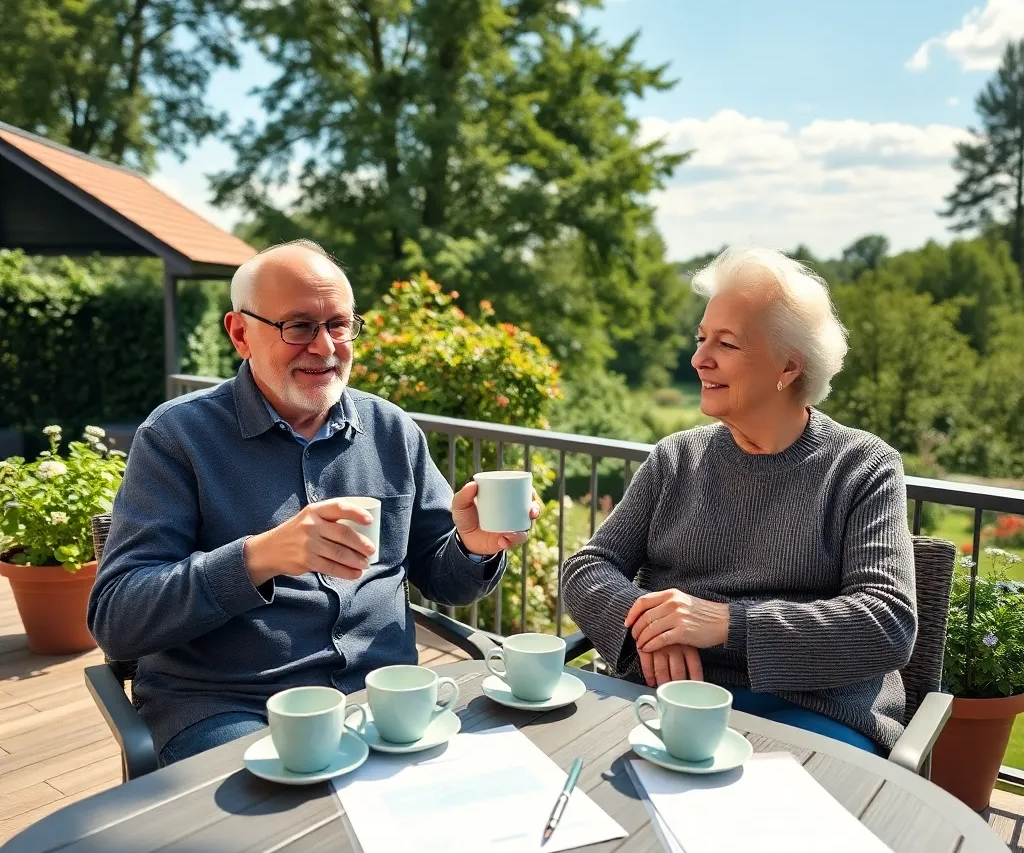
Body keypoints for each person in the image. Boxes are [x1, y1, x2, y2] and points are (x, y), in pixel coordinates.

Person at [89, 240, 539, 764]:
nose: (325, 347)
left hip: (382, 699)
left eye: (339, 325)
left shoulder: (391, 430)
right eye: (299, 326)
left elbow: (448, 583)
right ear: (240, 334)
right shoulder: (177, 438)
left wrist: (472, 547)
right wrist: (258, 558)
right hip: (232, 707)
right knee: (285, 812)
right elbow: (118, 619)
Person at [562, 245, 916, 754]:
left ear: (788, 365)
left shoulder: (861, 466)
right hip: (672, 700)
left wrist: (726, 624)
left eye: (726, 343)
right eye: (701, 338)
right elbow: (587, 568)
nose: (698, 358)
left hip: (810, 715)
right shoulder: (675, 458)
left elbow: (885, 623)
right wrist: (647, 625)